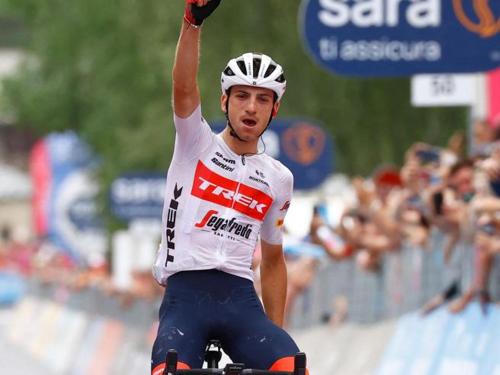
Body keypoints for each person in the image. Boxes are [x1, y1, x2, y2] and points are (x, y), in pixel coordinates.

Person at [151, 1, 308, 374]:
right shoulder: (196, 143)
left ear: (275, 110)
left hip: (240, 301)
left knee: (291, 367)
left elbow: (272, 262)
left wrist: (274, 333)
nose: (251, 107)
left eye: (263, 99)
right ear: (224, 100)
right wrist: (192, 23)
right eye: (242, 96)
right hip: (185, 297)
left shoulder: (278, 178)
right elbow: (183, 86)